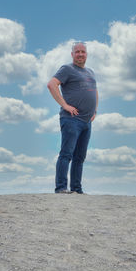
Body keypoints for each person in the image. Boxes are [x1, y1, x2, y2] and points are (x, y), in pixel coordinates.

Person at [47, 42, 98, 194]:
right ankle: (61, 188)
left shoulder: (90, 72)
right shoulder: (67, 69)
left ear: (86, 54)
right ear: (72, 54)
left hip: (86, 121)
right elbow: (52, 84)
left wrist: (95, 110)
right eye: (77, 52)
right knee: (66, 154)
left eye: (83, 51)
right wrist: (65, 105)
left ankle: (77, 189)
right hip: (71, 119)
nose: (80, 54)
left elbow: (94, 91)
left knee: (80, 157)